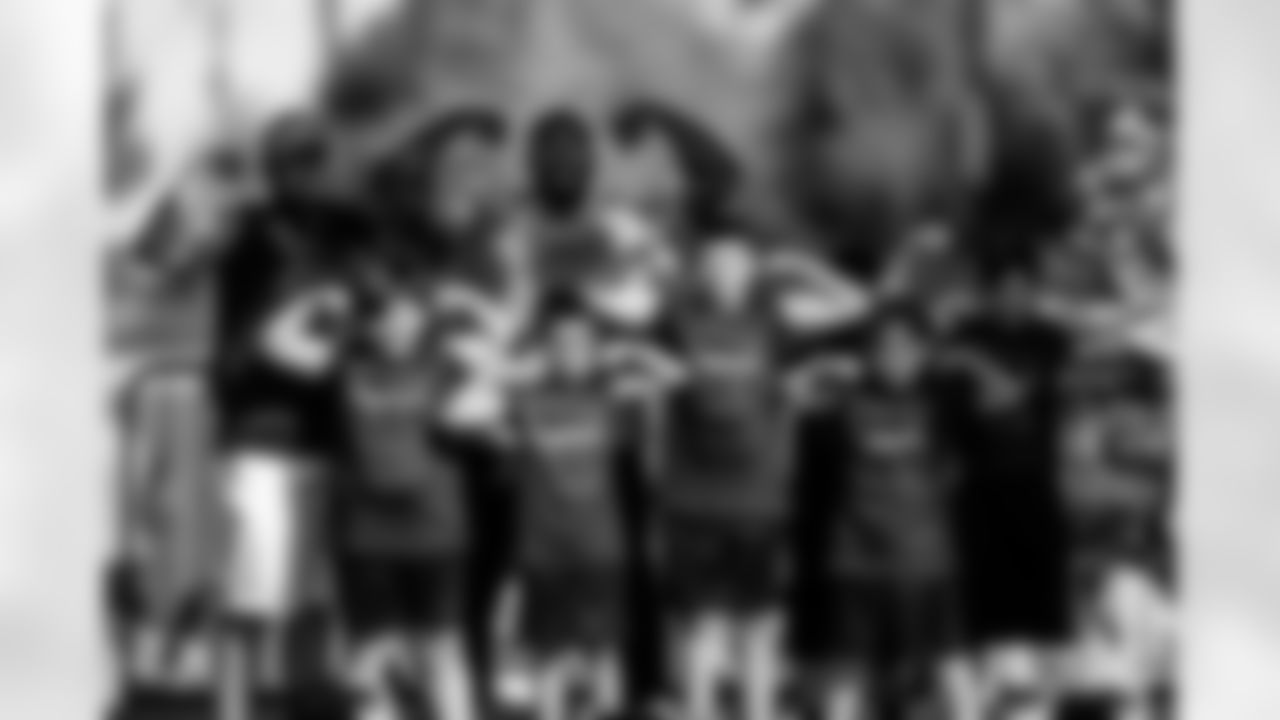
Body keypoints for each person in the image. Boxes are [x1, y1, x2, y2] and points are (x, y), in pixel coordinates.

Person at [644, 229, 867, 720]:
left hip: (758, 503)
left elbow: (857, 305)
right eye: (714, 263)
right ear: (700, 271)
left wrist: (805, 268)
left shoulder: (775, 323)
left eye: (736, 263)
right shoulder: (675, 323)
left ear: (753, 271)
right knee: (700, 629)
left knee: (759, 628)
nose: (725, 272)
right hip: (692, 502)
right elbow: (635, 357)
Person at [211, 114, 354, 720]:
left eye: (318, 159)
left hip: (321, 441)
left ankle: (303, 704)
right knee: (248, 596)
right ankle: (233, 709)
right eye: (298, 161)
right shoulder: (247, 239)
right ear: (273, 171)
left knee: (311, 596)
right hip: (258, 442)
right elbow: (260, 346)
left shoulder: (340, 232)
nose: (311, 172)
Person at [808, 306, 977, 720]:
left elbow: (960, 469)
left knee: (951, 662)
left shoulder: (945, 403)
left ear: (923, 353)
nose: (895, 356)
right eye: (884, 347)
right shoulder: (842, 404)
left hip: (927, 561)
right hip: (857, 561)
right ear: (868, 353)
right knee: (847, 669)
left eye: (907, 347)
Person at [486, 296, 651, 720]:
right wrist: (513, 370)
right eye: (559, 342)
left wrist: (622, 355)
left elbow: (667, 380)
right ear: (544, 348)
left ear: (595, 348)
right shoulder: (523, 401)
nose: (570, 351)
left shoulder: (614, 399)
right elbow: (473, 413)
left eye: (581, 342)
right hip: (542, 551)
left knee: (604, 654)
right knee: (549, 657)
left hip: (601, 548)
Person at [333, 255, 479, 720]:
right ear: (368, 322)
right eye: (383, 315)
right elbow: (282, 342)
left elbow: (497, 373)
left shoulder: (448, 365)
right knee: (371, 656)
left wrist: (465, 305)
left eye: (406, 312)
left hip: (435, 530)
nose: (395, 324)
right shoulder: (347, 365)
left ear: (423, 315)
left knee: (442, 647)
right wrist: (331, 302)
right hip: (368, 533)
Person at [946, 261, 1076, 720]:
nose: (1013, 297)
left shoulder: (1050, 339)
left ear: (1034, 292)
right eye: (1003, 288)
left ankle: (1048, 701)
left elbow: (1019, 390)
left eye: (1023, 288)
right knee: (979, 610)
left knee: (1047, 611)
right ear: (988, 293)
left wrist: (976, 365)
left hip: (1037, 489)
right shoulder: (965, 334)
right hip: (979, 493)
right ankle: (981, 702)